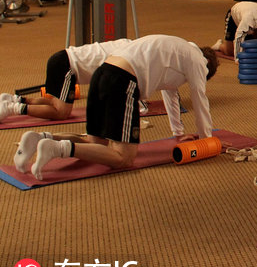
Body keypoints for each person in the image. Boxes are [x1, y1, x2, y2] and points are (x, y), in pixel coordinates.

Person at [14, 34, 219, 180]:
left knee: (95, 143)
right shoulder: (198, 62)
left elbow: (171, 93)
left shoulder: (177, 50)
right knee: (123, 158)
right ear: (206, 66)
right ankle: (58, 149)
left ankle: (42, 139)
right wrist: (206, 138)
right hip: (122, 81)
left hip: (101, 74)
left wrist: (178, 133)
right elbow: (200, 98)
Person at [0, 38, 131, 122]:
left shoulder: (126, 45)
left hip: (61, 59)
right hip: (66, 66)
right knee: (61, 112)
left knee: (54, 104)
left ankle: (17, 100)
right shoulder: (128, 55)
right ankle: (11, 108)